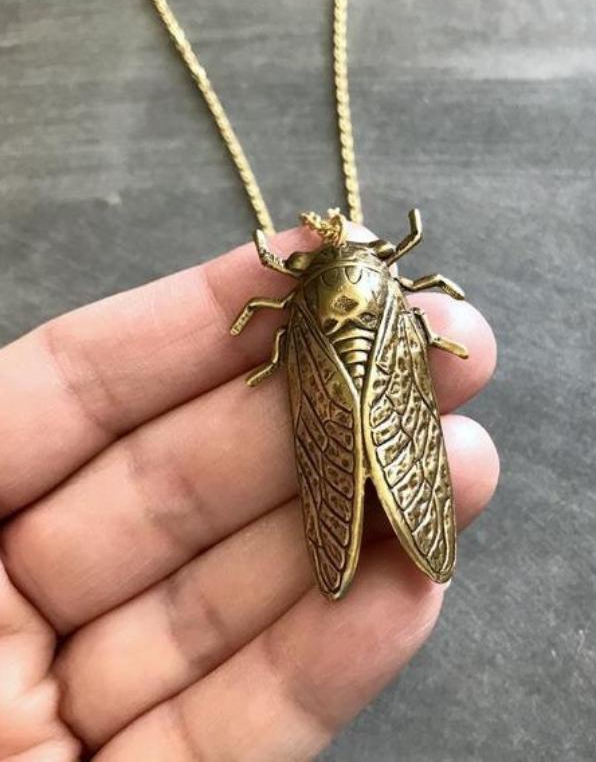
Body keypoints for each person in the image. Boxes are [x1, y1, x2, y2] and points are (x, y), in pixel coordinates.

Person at [0, 225, 498, 760]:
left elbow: (273, 279)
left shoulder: (298, 296)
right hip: (385, 343)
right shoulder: (388, 281)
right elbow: (410, 247)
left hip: (321, 370)